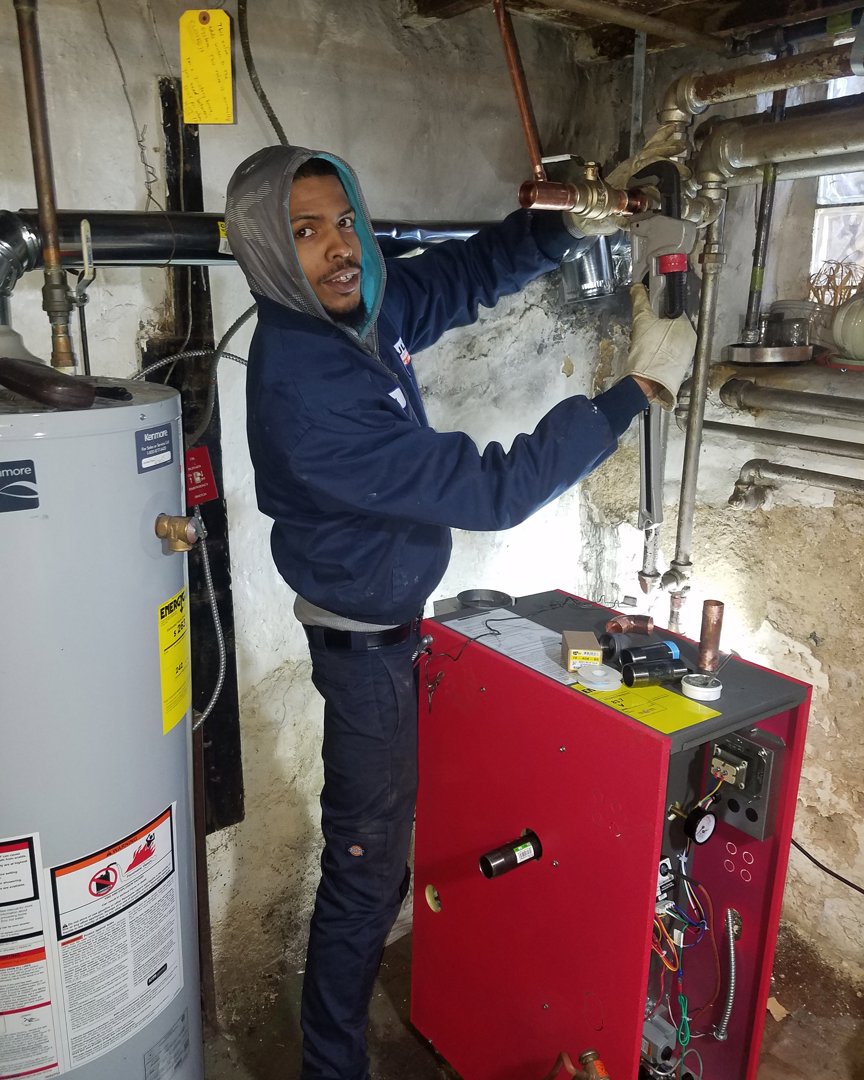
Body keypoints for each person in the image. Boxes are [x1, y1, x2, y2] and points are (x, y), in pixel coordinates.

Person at [225, 144, 695, 1080]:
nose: (340, 247)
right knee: (366, 868)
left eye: (345, 221)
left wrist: (561, 226)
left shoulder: (357, 311)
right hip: (364, 654)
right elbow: (492, 491)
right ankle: (330, 1069)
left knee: (389, 852)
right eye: (306, 232)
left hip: (395, 631)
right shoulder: (307, 390)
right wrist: (632, 393)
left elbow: (462, 277)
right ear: (268, 251)